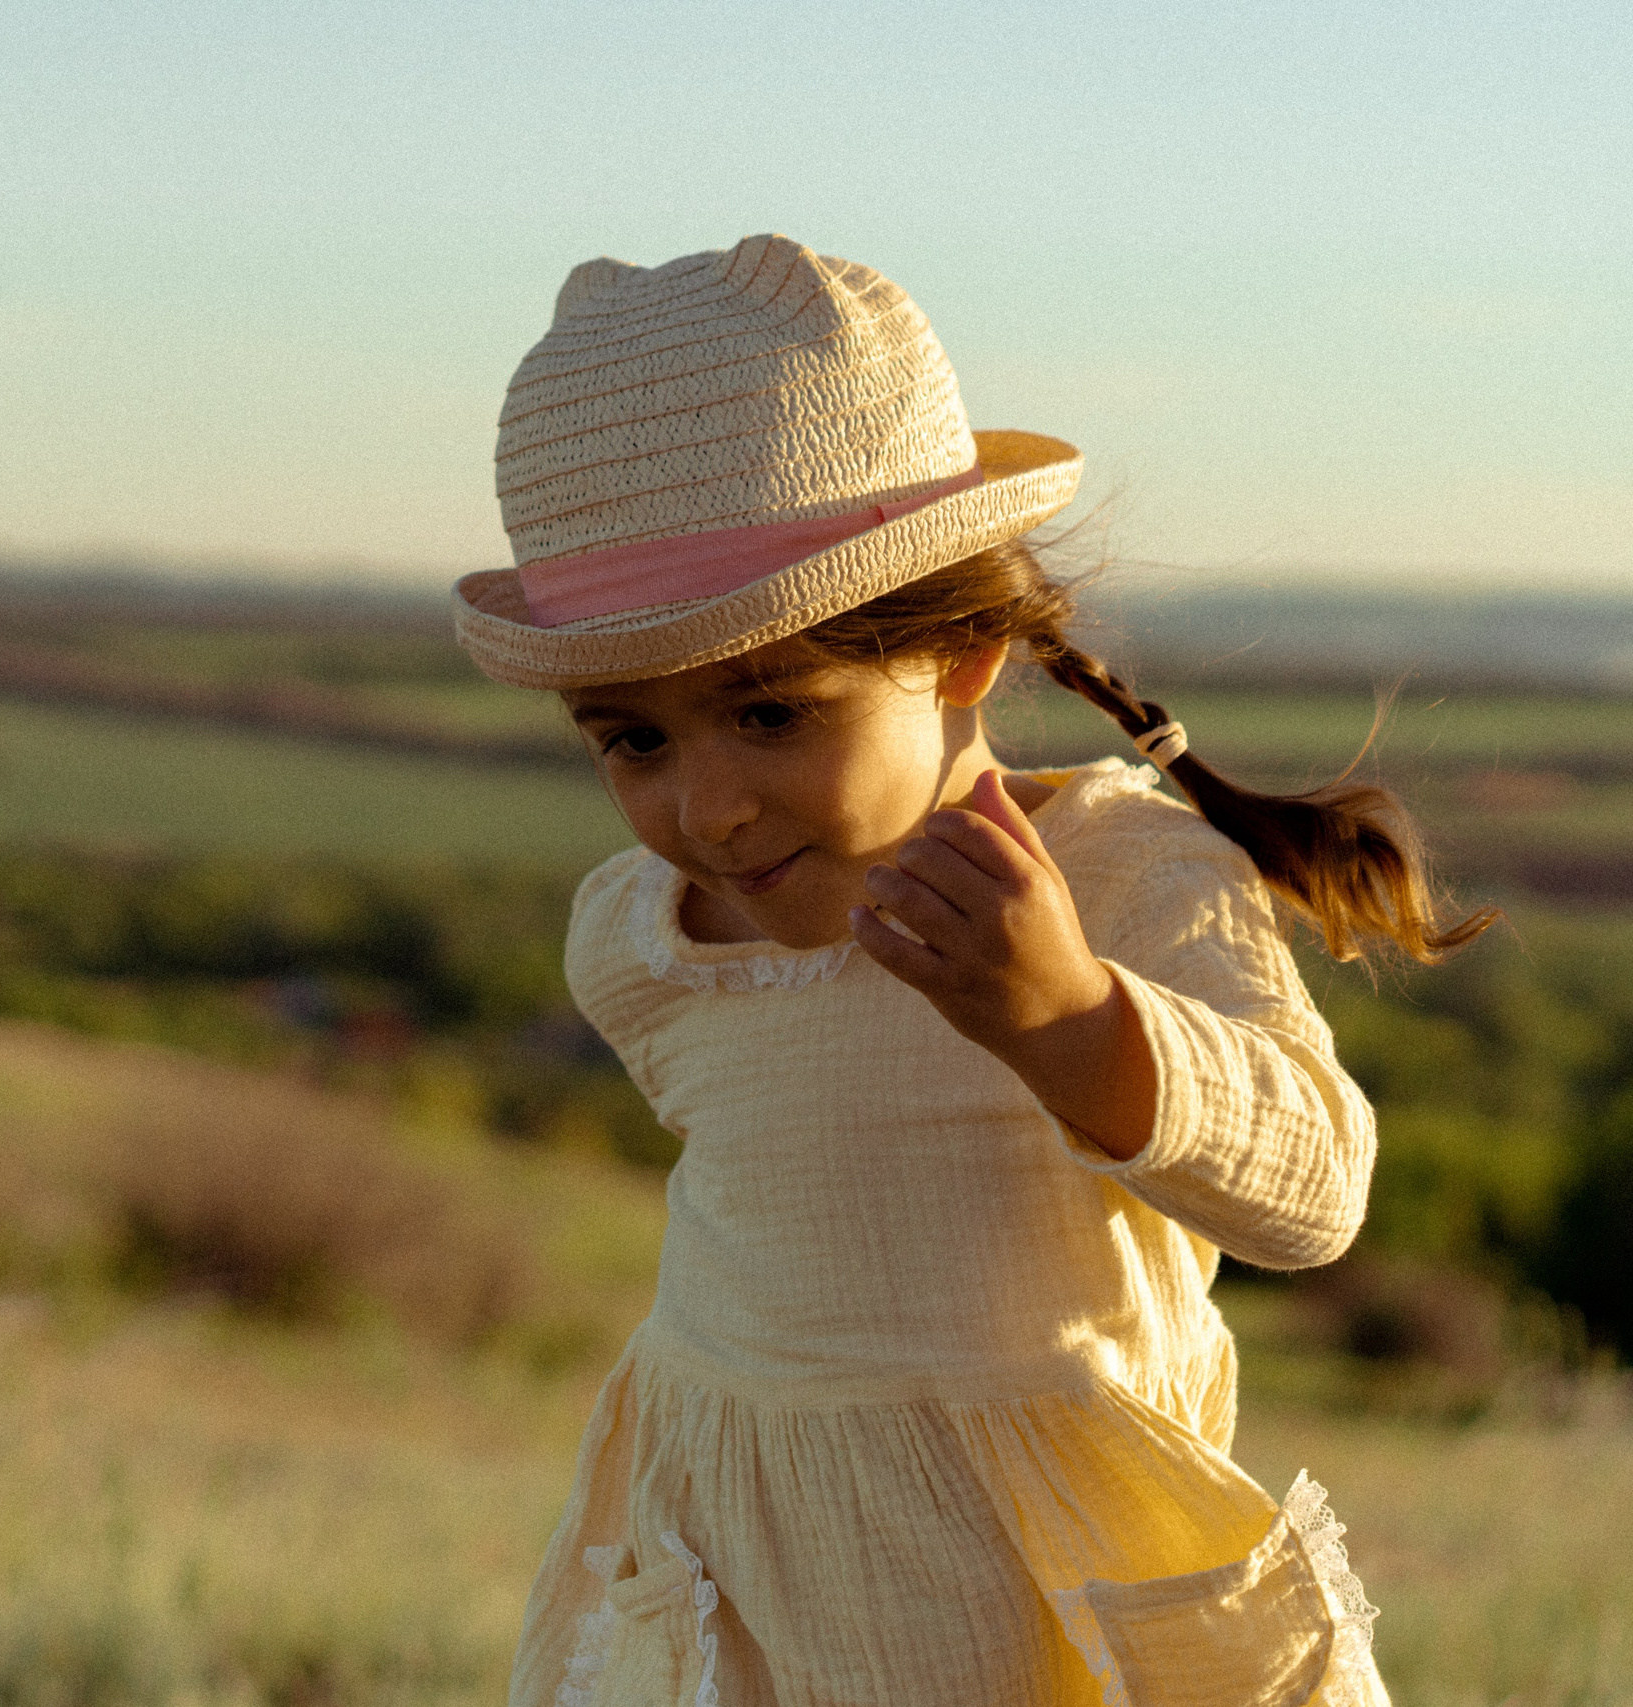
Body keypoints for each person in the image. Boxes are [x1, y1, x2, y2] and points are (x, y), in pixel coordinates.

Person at [450, 234, 1492, 1707]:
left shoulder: (1127, 880)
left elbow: (1314, 1198)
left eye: (767, 715)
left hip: (1034, 1598)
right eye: (635, 740)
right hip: (733, 1579)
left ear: (960, 651)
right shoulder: (641, 945)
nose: (707, 808)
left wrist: (1065, 1017)